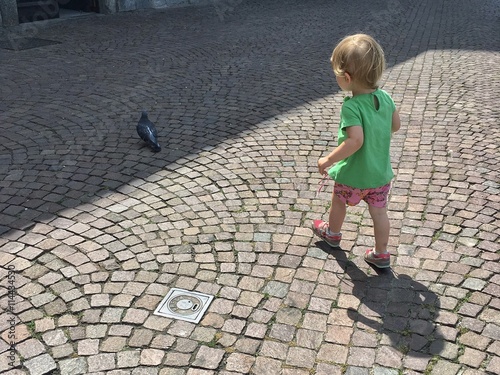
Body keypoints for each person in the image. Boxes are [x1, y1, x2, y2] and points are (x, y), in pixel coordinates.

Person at [313, 33, 401, 268]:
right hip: (380, 175)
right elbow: (396, 126)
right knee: (379, 213)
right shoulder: (386, 98)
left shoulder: (351, 106)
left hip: (354, 175)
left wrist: (328, 160)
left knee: (339, 201)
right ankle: (381, 253)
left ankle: (332, 233)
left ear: (347, 77)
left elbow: (355, 141)